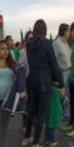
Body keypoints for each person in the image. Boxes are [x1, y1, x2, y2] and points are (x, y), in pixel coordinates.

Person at [22, 19, 64, 147]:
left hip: (32, 82)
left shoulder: (28, 44)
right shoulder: (46, 43)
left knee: (31, 111)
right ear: (44, 30)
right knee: (41, 114)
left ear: (34, 30)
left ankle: (26, 138)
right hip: (45, 83)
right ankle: (35, 143)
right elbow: (54, 65)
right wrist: (61, 83)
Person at [52, 23, 71, 121]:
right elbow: (53, 61)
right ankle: (61, 115)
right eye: (68, 31)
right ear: (64, 31)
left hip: (68, 72)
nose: (69, 33)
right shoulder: (56, 43)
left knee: (67, 94)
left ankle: (66, 114)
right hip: (62, 73)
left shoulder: (65, 42)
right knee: (62, 95)